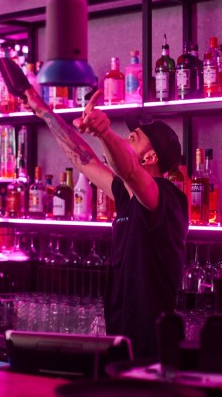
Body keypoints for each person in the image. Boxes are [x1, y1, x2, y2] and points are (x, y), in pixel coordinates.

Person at [22, 87, 188, 358]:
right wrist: (43, 111)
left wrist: (104, 133)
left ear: (150, 158)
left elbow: (128, 169)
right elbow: (82, 158)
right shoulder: (125, 195)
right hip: (120, 338)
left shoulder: (167, 198)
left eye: (132, 138)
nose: (123, 140)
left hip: (153, 347)